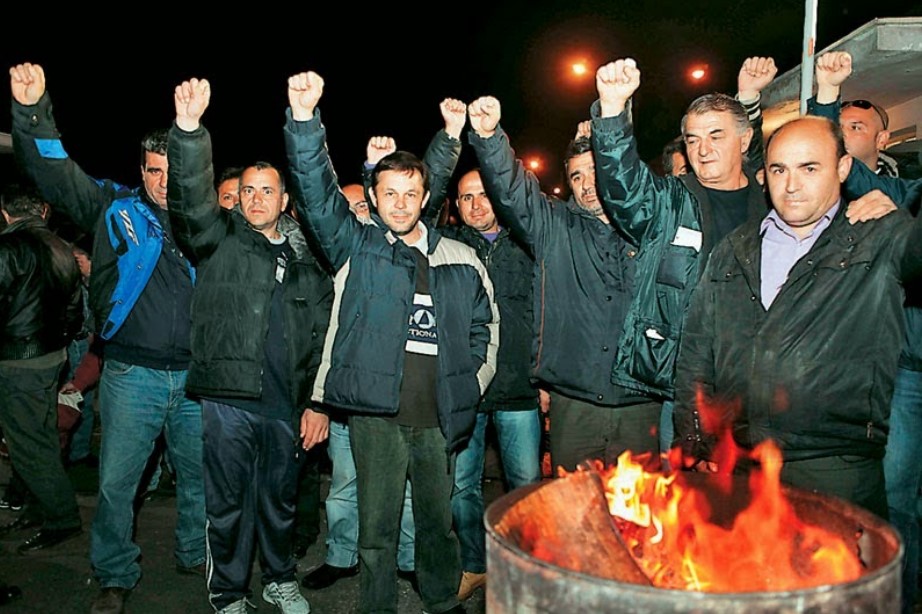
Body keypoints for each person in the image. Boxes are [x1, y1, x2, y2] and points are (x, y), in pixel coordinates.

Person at [285, 70, 498, 614]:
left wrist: (468, 383)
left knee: (436, 525)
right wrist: (305, 120)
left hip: (438, 418)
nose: (400, 204)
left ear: (426, 198)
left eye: (410, 194)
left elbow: (486, 328)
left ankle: (442, 602)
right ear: (374, 198)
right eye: (389, 194)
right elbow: (314, 190)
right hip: (375, 417)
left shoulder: (460, 258)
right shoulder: (358, 248)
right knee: (376, 532)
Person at [10, 62, 206, 614]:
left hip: (196, 378)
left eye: (174, 170)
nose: (164, 182)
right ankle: (114, 574)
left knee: (197, 480)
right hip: (130, 375)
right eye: (153, 170)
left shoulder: (214, 221)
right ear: (140, 170)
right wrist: (32, 114)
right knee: (118, 486)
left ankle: (196, 555)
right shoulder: (115, 209)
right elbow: (57, 177)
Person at [674, 115, 922, 515]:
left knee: (837, 578)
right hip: (740, 463)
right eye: (779, 169)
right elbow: (697, 353)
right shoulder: (735, 249)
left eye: (809, 168)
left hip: (833, 468)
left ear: (842, 168)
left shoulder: (879, 237)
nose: (791, 185)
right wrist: (695, 441)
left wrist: (903, 210)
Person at [168, 78, 332, 614]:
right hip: (229, 400)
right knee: (229, 505)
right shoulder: (219, 241)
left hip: (286, 406)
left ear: (285, 200)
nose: (256, 199)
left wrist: (319, 403)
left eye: (268, 190)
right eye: (248, 190)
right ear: (237, 198)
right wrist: (189, 131)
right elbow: (191, 202)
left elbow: (322, 342)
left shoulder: (310, 267)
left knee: (278, 502)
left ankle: (279, 579)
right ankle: (228, 592)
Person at [466, 95, 660, 474]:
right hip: (576, 405)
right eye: (576, 176)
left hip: (641, 401)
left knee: (641, 517)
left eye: (595, 171)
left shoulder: (650, 224)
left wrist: (613, 116)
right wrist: (490, 138)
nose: (588, 185)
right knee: (574, 514)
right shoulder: (554, 226)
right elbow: (513, 192)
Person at [301, 182, 417, 593]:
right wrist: (319, 399)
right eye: (348, 208)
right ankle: (340, 555)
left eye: (363, 206)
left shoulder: (398, 255)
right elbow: (325, 336)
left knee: (402, 485)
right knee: (345, 481)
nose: (358, 214)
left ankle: (408, 561)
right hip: (343, 396)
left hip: (389, 396)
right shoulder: (329, 259)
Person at [443, 168, 541, 600]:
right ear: (456, 206)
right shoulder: (447, 249)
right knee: (462, 485)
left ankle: (523, 565)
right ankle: (474, 564)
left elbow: (544, 315)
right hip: (468, 390)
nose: (476, 205)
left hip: (520, 387)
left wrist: (546, 379)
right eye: (466, 198)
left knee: (525, 484)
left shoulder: (526, 244)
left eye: (483, 195)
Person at [0, 186, 82, 554]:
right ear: (44, 211)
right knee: (42, 437)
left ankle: (61, 516)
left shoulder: (9, 248)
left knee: (28, 444)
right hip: (51, 355)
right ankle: (38, 507)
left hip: (19, 358)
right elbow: (73, 309)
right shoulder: (62, 247)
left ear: (5, 213)